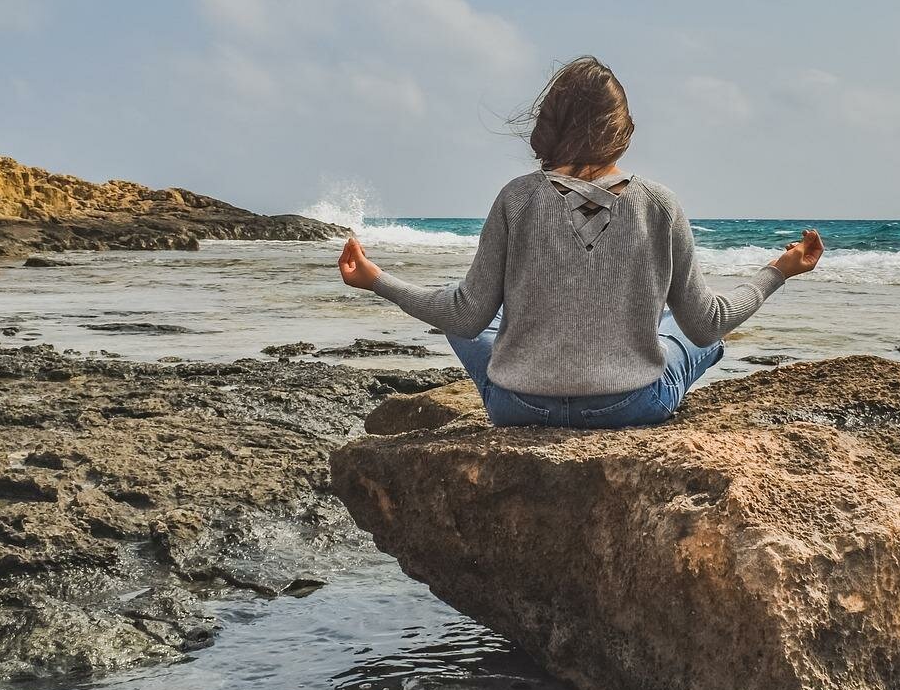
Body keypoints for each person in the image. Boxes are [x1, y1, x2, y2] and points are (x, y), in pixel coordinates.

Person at [336, 56, 823, 428]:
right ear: (621, 128)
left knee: (464, 307)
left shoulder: (516, 198)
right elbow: (708, 321)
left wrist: (377, 279)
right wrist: (779, 270)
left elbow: (465, 316)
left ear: (551, 122)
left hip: (519, 408)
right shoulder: (660, 204)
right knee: (688, 331)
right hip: (631, 406)